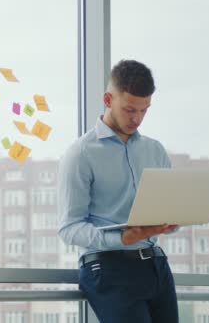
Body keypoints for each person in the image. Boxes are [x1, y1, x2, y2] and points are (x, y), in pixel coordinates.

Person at [57, 59, 179, 322]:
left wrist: (171, 221)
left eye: (144, 111)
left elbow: (167, 212)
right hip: (108, 268)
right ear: (108, 99)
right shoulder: (81, 154)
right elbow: (68, 228)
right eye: (129, 109)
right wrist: (121, 238)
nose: (137, 118)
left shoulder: (154, 150)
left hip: (156, 266)